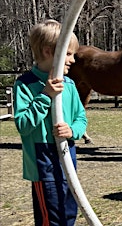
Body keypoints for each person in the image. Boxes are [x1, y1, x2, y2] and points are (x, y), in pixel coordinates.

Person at [13, 19, 88, 225]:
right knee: (51, 218)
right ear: (48, 52)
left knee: (69, 214)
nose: (73, 60)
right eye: (69, 53)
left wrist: (72, 131)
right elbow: (24, 125)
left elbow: (81, 118)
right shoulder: (26, 84)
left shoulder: (70, 85)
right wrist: (45, 96)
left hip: (67, 158)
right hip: (42, 162)